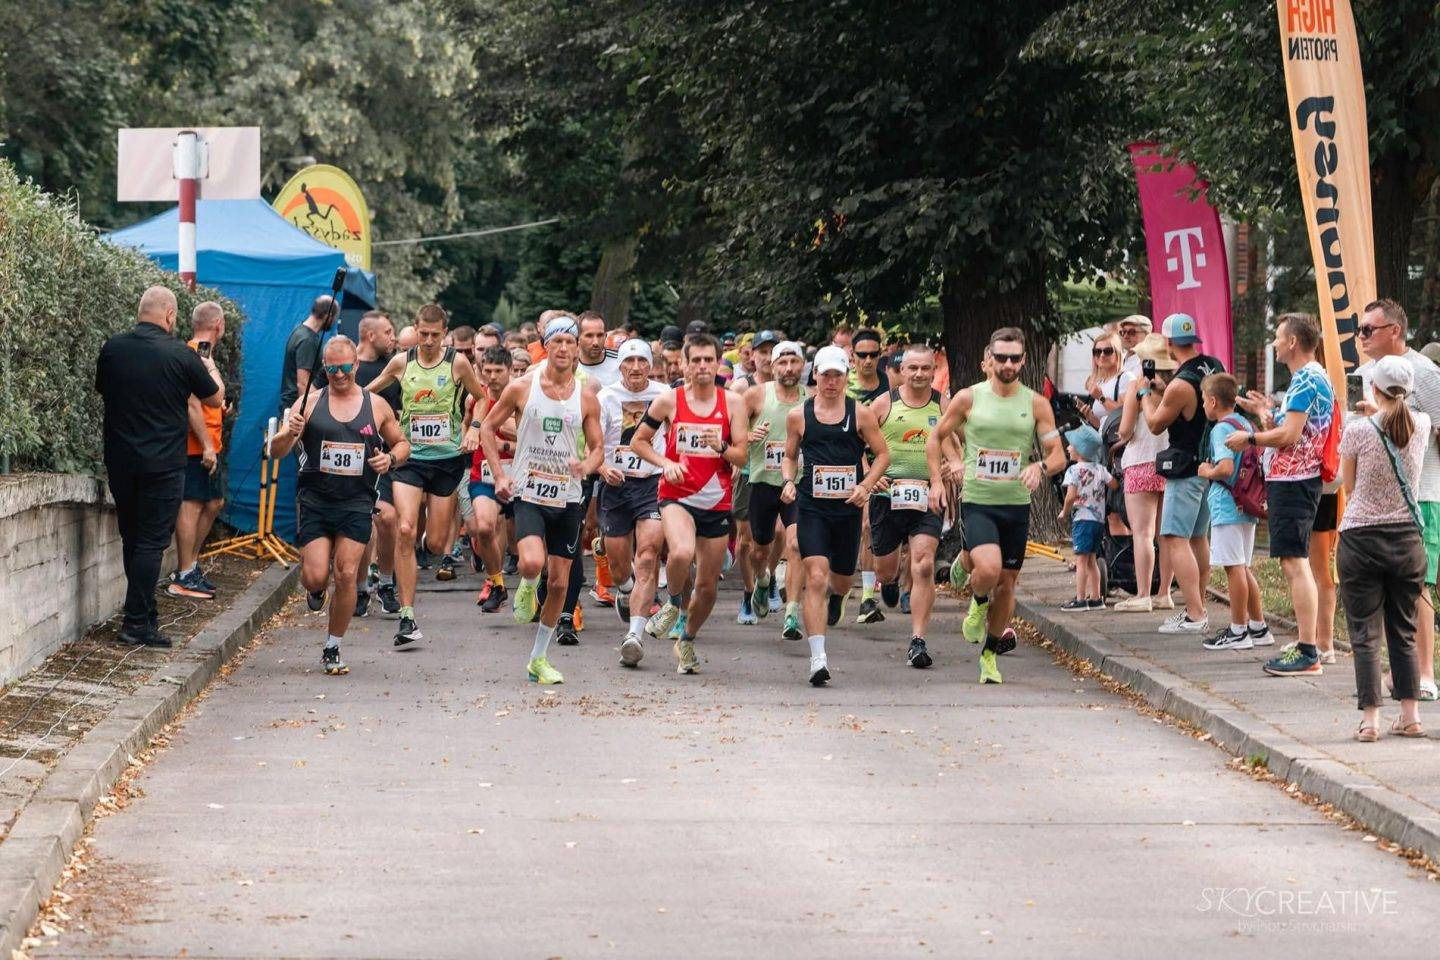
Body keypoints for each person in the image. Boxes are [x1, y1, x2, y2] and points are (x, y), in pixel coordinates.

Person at [927, 327, 1066, 684]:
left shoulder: (1036, 403)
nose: (1007, 364)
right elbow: (937, 436)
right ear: (988, 359)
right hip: (979, 499)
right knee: (988, 570)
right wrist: (944, 473)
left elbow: (1058, 456)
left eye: (1014, 358)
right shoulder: (968, 398)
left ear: (1023, 361)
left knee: (1007, 583)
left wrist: (1039, 467)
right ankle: (976, 601)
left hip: (1015, 504)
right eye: (1000, 357)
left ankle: (989, 654)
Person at [270, 337, 409, 675]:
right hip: (316, 500)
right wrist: (290, 432)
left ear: (356, 366)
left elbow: (402, 444)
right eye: (331, 369)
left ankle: (333, 647)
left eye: (346, 368)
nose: (339, 375)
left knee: (346, 573)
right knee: (316, 576)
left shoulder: (375, 405)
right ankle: (315, 591)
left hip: (357, 501)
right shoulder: (309, 402)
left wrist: (389, 460)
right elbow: (274, 451)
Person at [96, 286, 223, 646]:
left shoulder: (113, 349)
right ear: (169, 316)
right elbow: (213, 397)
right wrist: (204, 364)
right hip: (163, 463)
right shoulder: (181, 355)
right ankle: (136, 623)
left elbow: (105, 390)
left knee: (132, 539)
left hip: (120, 459)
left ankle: (145, 612)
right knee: (152, 543)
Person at [480, 316, 603, 685]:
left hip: (567, 497)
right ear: (545, 345)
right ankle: (528, 584)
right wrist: (500, 475)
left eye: (570, 341)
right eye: (558, 341)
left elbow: (598, 448)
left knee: (562, 586)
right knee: (533, 563)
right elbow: (487, 427)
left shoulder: (585, 397)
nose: (564, 348)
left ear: (577, 347)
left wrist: (586, 464)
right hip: (530, 492)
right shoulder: (522, 387)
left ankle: (538, 659)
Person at [364, 304, 487, 645]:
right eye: (423, 334)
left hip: (446, 459)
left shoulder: (457, 363)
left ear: (444, 333)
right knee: (404, 529)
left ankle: (425, 547)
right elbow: (368, 393)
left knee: (433, 543)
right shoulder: (402, 362)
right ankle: (407, 617)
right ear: (415, 330)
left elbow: (482, 398)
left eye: (435, 335)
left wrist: (474, 427)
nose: (429, 340)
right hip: (410, 458)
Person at [630, 333, 751, 675]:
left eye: (708, 360)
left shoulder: (733, 404)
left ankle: (687, 639)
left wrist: (721, 447)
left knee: (708, 586)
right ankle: (671, 604)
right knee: (681, 553)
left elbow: (742, 457)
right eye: (695, 360)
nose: (701, 367)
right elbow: (638, 441)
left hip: (715, 500)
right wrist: (664, 463)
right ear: (682, 364)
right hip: (676, 494)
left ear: (717, 363)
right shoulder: (669, 401)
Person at [1226, 313, 1334, 676]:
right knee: (1295, 561)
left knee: (1294, 562)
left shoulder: (1306, 378)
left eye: (1277, 337)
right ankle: (1309, 644)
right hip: (1297, 479)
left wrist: (1250, 437)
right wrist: (1263, 413)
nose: (1273, 343)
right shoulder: (1312, 377)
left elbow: (1288, 437)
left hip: (1295, 481)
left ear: (1292, 342)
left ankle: (1308, 651)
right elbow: (1294, 431)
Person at [780, 345, 889, 684]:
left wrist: (866, 485)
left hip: (847, 508)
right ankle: (818, 659)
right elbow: (788, 456)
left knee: (840, 579)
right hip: (812, 505)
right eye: (825, 374)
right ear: (815, 375)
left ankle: (839, 597)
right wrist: (788, 481)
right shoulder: (799, 415)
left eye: (837, 375)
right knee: (815, 576)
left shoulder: (861, 414)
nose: (830, 381)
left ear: (846, 376)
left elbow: (883, 455)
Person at [1337, 355, 1429, 740]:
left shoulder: (1357, 430)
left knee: (1364, 632)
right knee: (1403, 631)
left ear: (1372, 388)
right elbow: (1399, 418)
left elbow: (1349, 486)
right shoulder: (1420, 425)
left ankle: (1370, 720)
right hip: (1407, 539)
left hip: (1361, 538)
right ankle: (1410, 715)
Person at [1353, 299, 1440, 700]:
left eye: (1368, 329)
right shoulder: (1369, 373)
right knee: (1391, 592)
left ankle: (1423, 675)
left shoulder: (1425, 374)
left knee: (1418, 586)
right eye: (1359, 329)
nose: (1361, 336)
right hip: (1377, 505)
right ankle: (1400, 673)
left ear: (1394, 330)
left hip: (1420, 496)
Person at [1141, 312, 1225, 634]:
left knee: (1174, 538)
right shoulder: (1212, 365)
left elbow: (1154, 423)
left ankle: (1193, 614)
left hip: (1185, 469)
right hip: (1208, 465)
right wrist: (1165, 390)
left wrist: (1144, 395)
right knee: (1198, 537)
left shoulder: (1179, 385)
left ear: (1168, 342)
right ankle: (1199, 605)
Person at [868, 344, 949, 667]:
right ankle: (891, 580)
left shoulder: (943, 404)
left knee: (925, 563)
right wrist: (870, 477)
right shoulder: (884, 404)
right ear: (901, 371)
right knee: (884, 570)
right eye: (912, 368)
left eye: (925, 369)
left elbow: (956, 444)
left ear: (933, 371)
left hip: (927, 496)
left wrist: (949, 468)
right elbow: (858, 446)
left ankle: (918, 640)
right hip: (887, 498)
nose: (918, 374)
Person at [596, 339, 669, 665]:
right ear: (620, 366)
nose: (636, 367)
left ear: (650, 365)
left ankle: (635, 635)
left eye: (642, 361)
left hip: (652, 484)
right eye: (629, 362)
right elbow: (592, 444)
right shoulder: (606, 397)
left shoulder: (665, 395)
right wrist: (602, 467)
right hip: (616, 486)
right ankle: (625, 590)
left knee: (649, 554)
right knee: (618, 565)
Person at [1197, 374, 1271, 650]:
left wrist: (1207, 471)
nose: (1204, 405)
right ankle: (1258, 626)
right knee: (1242, 566)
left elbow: (1226, 468)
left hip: (1227, 504)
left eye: (1204, 400)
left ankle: (1238, 630)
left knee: (1233, 568)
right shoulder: (1245, 424)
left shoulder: (1219, 429)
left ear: (1213, 401)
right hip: (1247, 503)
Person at [744, 341, 807, 638]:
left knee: (796, 545)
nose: (789, 368)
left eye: (794, 362)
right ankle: (763, 579)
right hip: (763, 482)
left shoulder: (813, 398)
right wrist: (747, 435)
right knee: (759, 550)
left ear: (803, 365)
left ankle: (792, 612)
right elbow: (731, 436)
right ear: (772, 365)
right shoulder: (756, 395)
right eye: (782, 363)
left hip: (799, 483)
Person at [168, 301, 228, 600]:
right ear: (219, 324)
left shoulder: (205, 354)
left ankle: (190, 566)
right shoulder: (196, 353)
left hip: (209, 442)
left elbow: (207, 398)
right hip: (195, 445)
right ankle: (184, 572)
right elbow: (192, 403)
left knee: (214, 502)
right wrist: (205, 444)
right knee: (191, 504)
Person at [1113, 333, 1174, 612]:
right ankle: (1164, 593)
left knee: (1142, 533)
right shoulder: (1176, 385)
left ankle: (1142, 593)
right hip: (1170, 464)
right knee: (1167, 534)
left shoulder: (1138, 386)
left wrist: (1118, 438)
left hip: (1140, 461)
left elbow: (1125, 430)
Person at [354, 311, 401, 616]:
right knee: (360, 525)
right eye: (387, 332)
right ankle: (359, 589)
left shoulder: (392, 368)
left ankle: (385, 581)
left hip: (380, 457)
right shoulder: (346, 368)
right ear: (370, 335)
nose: (392, 337)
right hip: (346, 459)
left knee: (386, 518)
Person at [467, 345, 517, 612]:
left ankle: (539, 587)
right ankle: (497, 584)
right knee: (484, 528)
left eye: (499, 371)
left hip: (520, 477)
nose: (493, 376)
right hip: (483, 476)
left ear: (510, 371)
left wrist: (505, 444)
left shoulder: (522, 398)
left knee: (524, 546)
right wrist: (468, 439)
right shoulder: (474, 399)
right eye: (488, 371)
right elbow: (466, 430)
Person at [1059, 425, 1115, 611]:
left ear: (1080, 450)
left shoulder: (1073, 471)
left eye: (1071, 445)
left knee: (1081, 561)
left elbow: (1070, 496)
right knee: (1092, 559)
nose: (1068, 448)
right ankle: (1097, 598)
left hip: (1082, 519)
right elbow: (1114, 484)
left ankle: (1081, 599)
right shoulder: (1100, 469)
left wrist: (1064, 512)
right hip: (1098, 521)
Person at [279, 295, 337, 412]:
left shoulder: (299, 331)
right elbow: (303, 384)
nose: (334, 321)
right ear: (328, 315)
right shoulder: (307, 340)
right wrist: (304, 414)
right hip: (295, 409)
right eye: (334, 317)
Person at [1083, 330, 1132, 429]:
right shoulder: (1100, 382)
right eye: (1097, 351)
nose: (1102, 355)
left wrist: (1101, 398)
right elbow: (1102, 426)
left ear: (1117, 353)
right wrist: (1089, 416)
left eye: (1107, 351)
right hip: (1105, 440)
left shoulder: (1125, 378)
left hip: (1119, 442)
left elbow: (1124, 415)